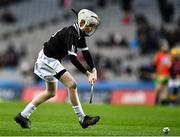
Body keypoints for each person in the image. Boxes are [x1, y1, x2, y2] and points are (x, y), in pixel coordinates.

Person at [14, 9, 101, 129]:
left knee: (50, 92)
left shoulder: (79, 34)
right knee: (72, 84)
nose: (91, 29)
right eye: (90, 25)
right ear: (82, 22)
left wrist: (94, 70)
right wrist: (87, 74)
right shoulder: (72, 33)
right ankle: (82, 119)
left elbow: (86, 53)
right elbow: (73, 59)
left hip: (49, 59)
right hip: (48, 59)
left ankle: (22, 116)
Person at [153, 39, 171, 104]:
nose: (166, 47)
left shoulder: (169, 55)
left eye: (167, 46)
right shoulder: (158, 54)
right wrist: (155, 73)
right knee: (158, 89)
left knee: (165, 89)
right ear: (161, 47)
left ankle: (163, 102)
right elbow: (154, 63)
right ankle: (156, 101)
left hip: (167, 75)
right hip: (160, 75)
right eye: (165, 46)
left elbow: (170, 66)